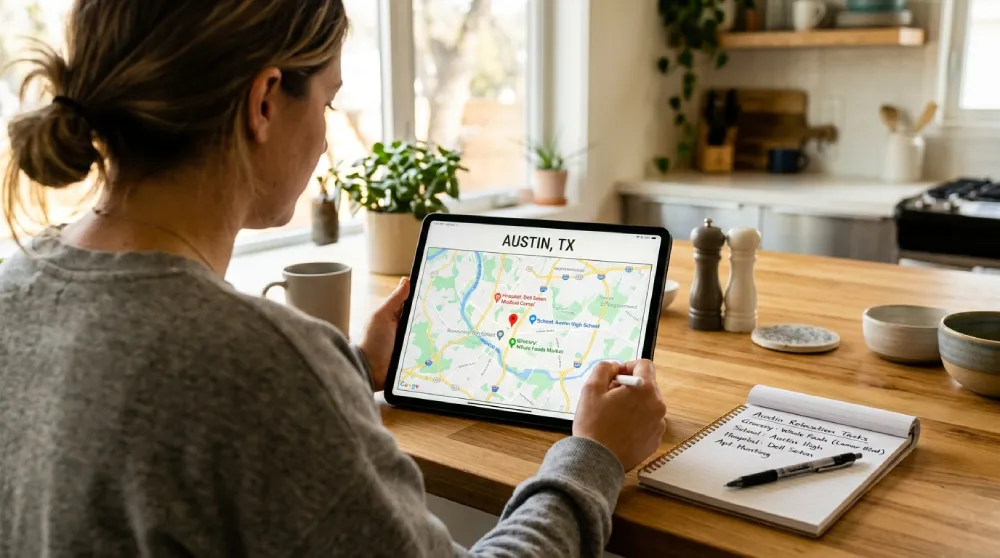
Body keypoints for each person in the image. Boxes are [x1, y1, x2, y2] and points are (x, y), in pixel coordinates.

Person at [0, 1, 668, 556]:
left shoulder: (15, 292)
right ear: (264, 100)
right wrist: (593, 456)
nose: (325, 137)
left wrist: (347, 367)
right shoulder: (257, 365)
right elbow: (226, 393)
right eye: (327, 102)